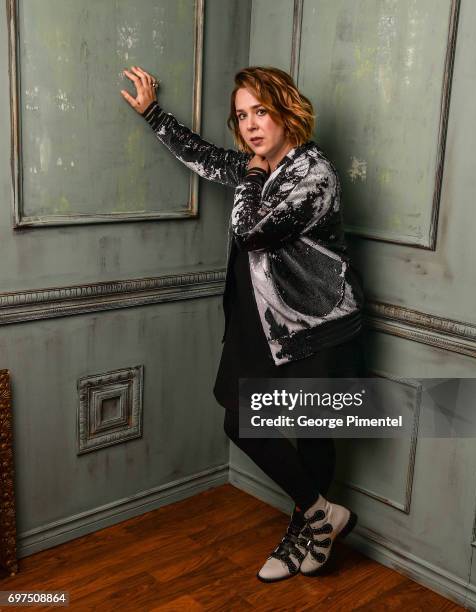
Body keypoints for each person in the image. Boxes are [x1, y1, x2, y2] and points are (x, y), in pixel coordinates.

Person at [121, 65, 367, 583]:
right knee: (241, 421)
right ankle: (322, 515)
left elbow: (251, 232)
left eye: (261, 111)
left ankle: (308, 532)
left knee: (312, 433)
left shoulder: (313, 174)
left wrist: (251, 175)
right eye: (242, 116)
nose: (251, 125)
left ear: (285, 109)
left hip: (317, 324)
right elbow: (207, 159)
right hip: (263, 323)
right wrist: (152, 114)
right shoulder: (263, 169)